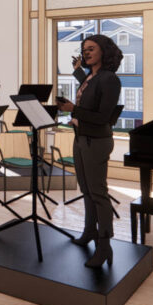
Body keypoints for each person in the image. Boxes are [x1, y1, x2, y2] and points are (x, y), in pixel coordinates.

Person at [55, 34, 123, 269]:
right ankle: (89, 232)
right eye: (84, 49)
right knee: (86, 190)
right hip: (81, 138)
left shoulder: (110, 79)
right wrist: (77, 72)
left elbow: (103, 117)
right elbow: (89, 86)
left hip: (96, 141)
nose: (86, 52)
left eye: (92, 49)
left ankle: (104, 246)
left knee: (98, 194)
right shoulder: (92, 77)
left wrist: (73, 109)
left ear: (104, 51)